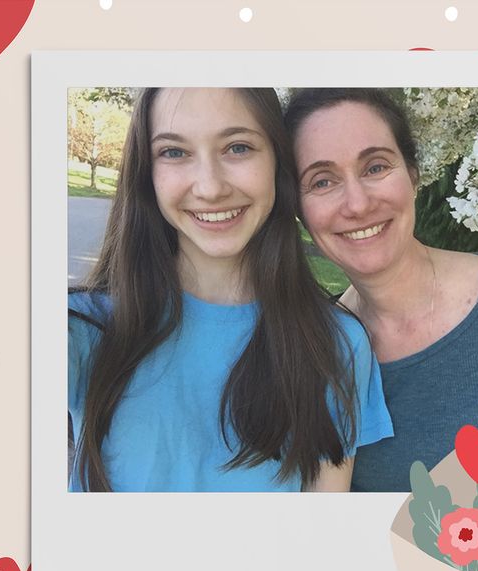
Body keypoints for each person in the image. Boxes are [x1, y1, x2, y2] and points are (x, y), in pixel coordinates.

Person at [68, 88, 393, 492]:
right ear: (146, 173)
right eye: (173, 152)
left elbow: (321, 538)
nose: (210, 187)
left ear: (278, 162)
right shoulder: (83, 328)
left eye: (238, 147)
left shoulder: (335, 344)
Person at [284, 88, 478, 492]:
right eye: (322, 181)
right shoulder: (312, 355)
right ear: (297, 208)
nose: (357, 204)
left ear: (413, 173)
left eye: (375, 167)